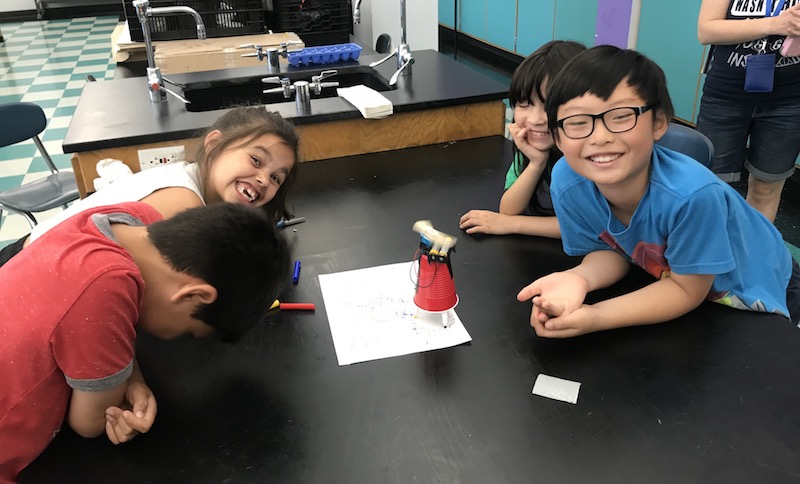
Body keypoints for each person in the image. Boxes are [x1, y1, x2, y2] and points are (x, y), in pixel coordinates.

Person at [516, 45, 800, 338]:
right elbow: (607, 250)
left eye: (621, 116)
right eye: (577, 123)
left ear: (659, 122)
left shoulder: (693, 196)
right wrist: (578, 278)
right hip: (689, 291)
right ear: (558, 136)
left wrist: (596, 316)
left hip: (761, 283)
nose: (599, 137)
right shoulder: (569, 181)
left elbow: (685, 290)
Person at [0, 201, 290, 483]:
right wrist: (115, 400)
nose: (183, 338)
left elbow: (110, 327)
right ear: (194, 295)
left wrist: (130, 378)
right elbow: (89, 422)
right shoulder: (103, 288)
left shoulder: (131, 220)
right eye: (191, 331)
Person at [0, 106, 300, 267]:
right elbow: (131, 289)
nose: (264, 179)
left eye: (276, 177)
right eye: (256, 160)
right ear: (214, 145)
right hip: (22, 270)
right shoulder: (181, 202)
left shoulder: (192, 177)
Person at [459, 40, 586, 239]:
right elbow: (508, 209)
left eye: (549, 107)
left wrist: (513, 224)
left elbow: (587, 227)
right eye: (525, 104)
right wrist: (536, 164)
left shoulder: (590, 158)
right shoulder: (533, 149)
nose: (536, 120)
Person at [696, 0, 800, 222]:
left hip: (789, 102)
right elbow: (706, 30)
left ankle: (752, 253)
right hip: (724, 98)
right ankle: (707, 252)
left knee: (766, 189)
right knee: (707, 187)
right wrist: (776, 24)